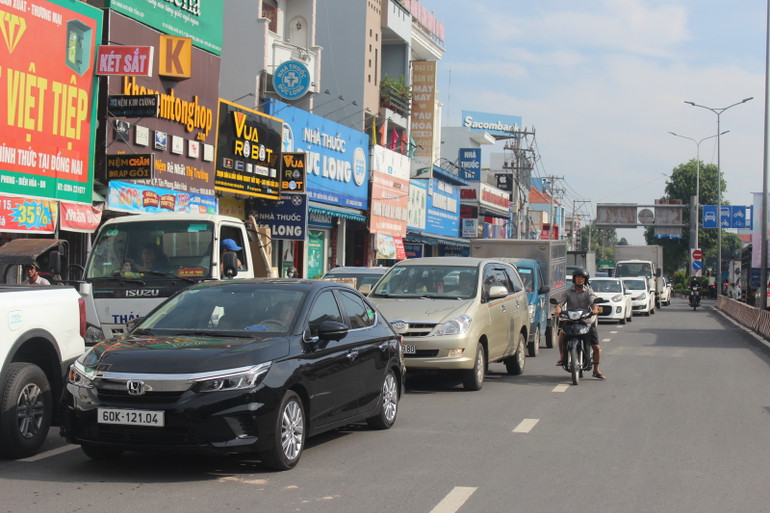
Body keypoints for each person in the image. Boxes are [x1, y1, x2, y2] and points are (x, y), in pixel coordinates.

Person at [554, 268, 605, 379]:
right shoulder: (568, 292)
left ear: (585, 280)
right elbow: (560, 302)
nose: (580, 279)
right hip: (571, 320)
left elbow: (593, 302)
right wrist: (558, 309)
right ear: (574, 279)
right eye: (578, 277)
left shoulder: (588, 291)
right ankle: (562, 356)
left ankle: (596, 370)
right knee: (562, 334)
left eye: (582, 277)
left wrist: (595, 309)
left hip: (586, 321)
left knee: (596, 347)